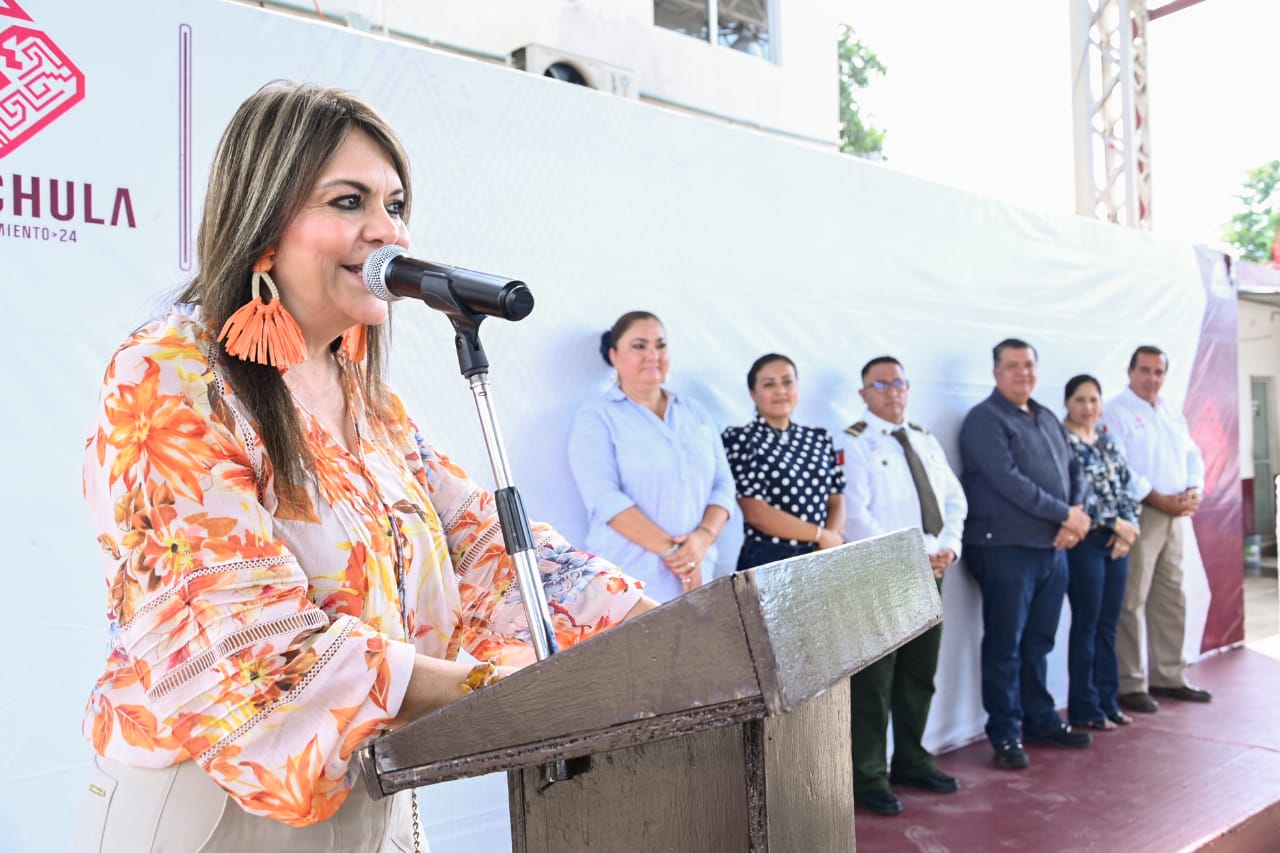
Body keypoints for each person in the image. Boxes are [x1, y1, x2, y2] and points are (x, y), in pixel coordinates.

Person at [76, 82, 653, 853]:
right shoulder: (169, 373)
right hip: (214, 809)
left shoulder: (369, 401)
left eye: (396, 204)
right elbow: (248, 646)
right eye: (348, 201)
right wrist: (497, 692)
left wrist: (670, 635)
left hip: (370, 792)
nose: (387, 232)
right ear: (263, 222)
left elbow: (487, 550)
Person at [839, 356, 966, 816]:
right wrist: (909, 557)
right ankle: (868, 774)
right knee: (874, 682)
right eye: (881, 384)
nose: (892, 391)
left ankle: (912, 759)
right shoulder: (853, 442)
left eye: (899, 382)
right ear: (863, 393)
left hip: (931, 571)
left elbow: (953, 499)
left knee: (918, 673)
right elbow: (855, 515)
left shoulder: (923, 438)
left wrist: (949, 546)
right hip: (881, 575)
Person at [959, 338, 1092, 770]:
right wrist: (1064, 515)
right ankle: (1005, 732)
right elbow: (1008, 481)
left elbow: (1075, 469)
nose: (1023, 373)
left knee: (1039, 641)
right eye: (1013, 366)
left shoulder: (1046, 415)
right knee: (1006, 645)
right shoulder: (984, 419)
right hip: (1005, 548)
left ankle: (1040, 719)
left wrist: (1075, 516)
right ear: (996, 373)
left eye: (1029, 365)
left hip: (1051, 548)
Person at [568, 311, 734, 602]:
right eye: (639, 346)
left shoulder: (694, 411)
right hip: (627, 583)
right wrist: (677, 554)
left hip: (698, 574)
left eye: (660, 345)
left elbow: (723, 485)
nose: (652, 355)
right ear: (614, 355)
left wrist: (702, 539)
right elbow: (604, 498)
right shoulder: (597, 416)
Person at [1099, 345, 1211, 713]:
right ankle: (1130, 683)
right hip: (1141, 514)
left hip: (1175, 515)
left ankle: (1168, 675)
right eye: (1145, 370)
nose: (1152, 378)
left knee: (1171, 596)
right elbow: (1119, 466)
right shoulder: (1115, 412)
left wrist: (1194, 488)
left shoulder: (1170, 411)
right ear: (1130, 372)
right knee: (1131, 600)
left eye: (1159, 372)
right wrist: (1156, 497)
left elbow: (1192, 454)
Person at [1061, 374, 1141, 731]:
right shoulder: (1062, 442)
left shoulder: (1107, 441)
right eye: (1080, 400)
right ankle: (1085, 706)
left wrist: (1129, 528)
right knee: (1087, 624)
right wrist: (1114, 523)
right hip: (1087, 542)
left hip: (1117, 543)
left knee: (1109, 625)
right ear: (1067, 403)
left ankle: (1109, 701)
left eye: (1094, 400)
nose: (1088, 407)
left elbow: (1127, 487)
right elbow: (1074, 495)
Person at [720, 353, 845, 571]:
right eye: (769, 384)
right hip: (769, 560)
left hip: (823, 555)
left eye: (787, 382)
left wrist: (830, 540)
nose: (780, 390)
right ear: (753, 394)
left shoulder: (819, 438)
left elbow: (836, 498)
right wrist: (820, 535)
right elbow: (756, 513)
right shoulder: (741, 438)